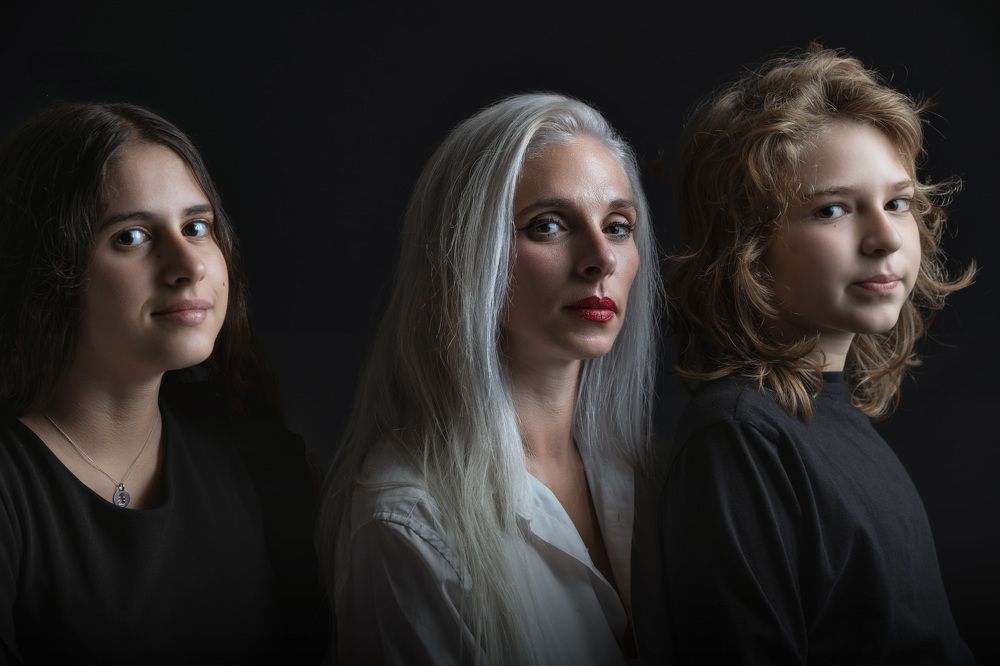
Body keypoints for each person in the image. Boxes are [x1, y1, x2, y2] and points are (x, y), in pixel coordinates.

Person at [642, 46, 976, 663]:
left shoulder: (829, 420)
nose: (884, 238)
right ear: (746, 245)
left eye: (898, 202)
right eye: (833, 210)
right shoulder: (740, 439)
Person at [319, 93, 663, 665]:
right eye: (548, 225)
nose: (601, 258)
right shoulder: (408, 522)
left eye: (618, 226)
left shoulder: (648, 476)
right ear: (466, 254)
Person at [0, 102, 328, 663]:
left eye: (197, 228)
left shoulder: (253, 449)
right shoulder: (13, 485)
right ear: (46, 267)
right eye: (131, 237)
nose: (188, 264)